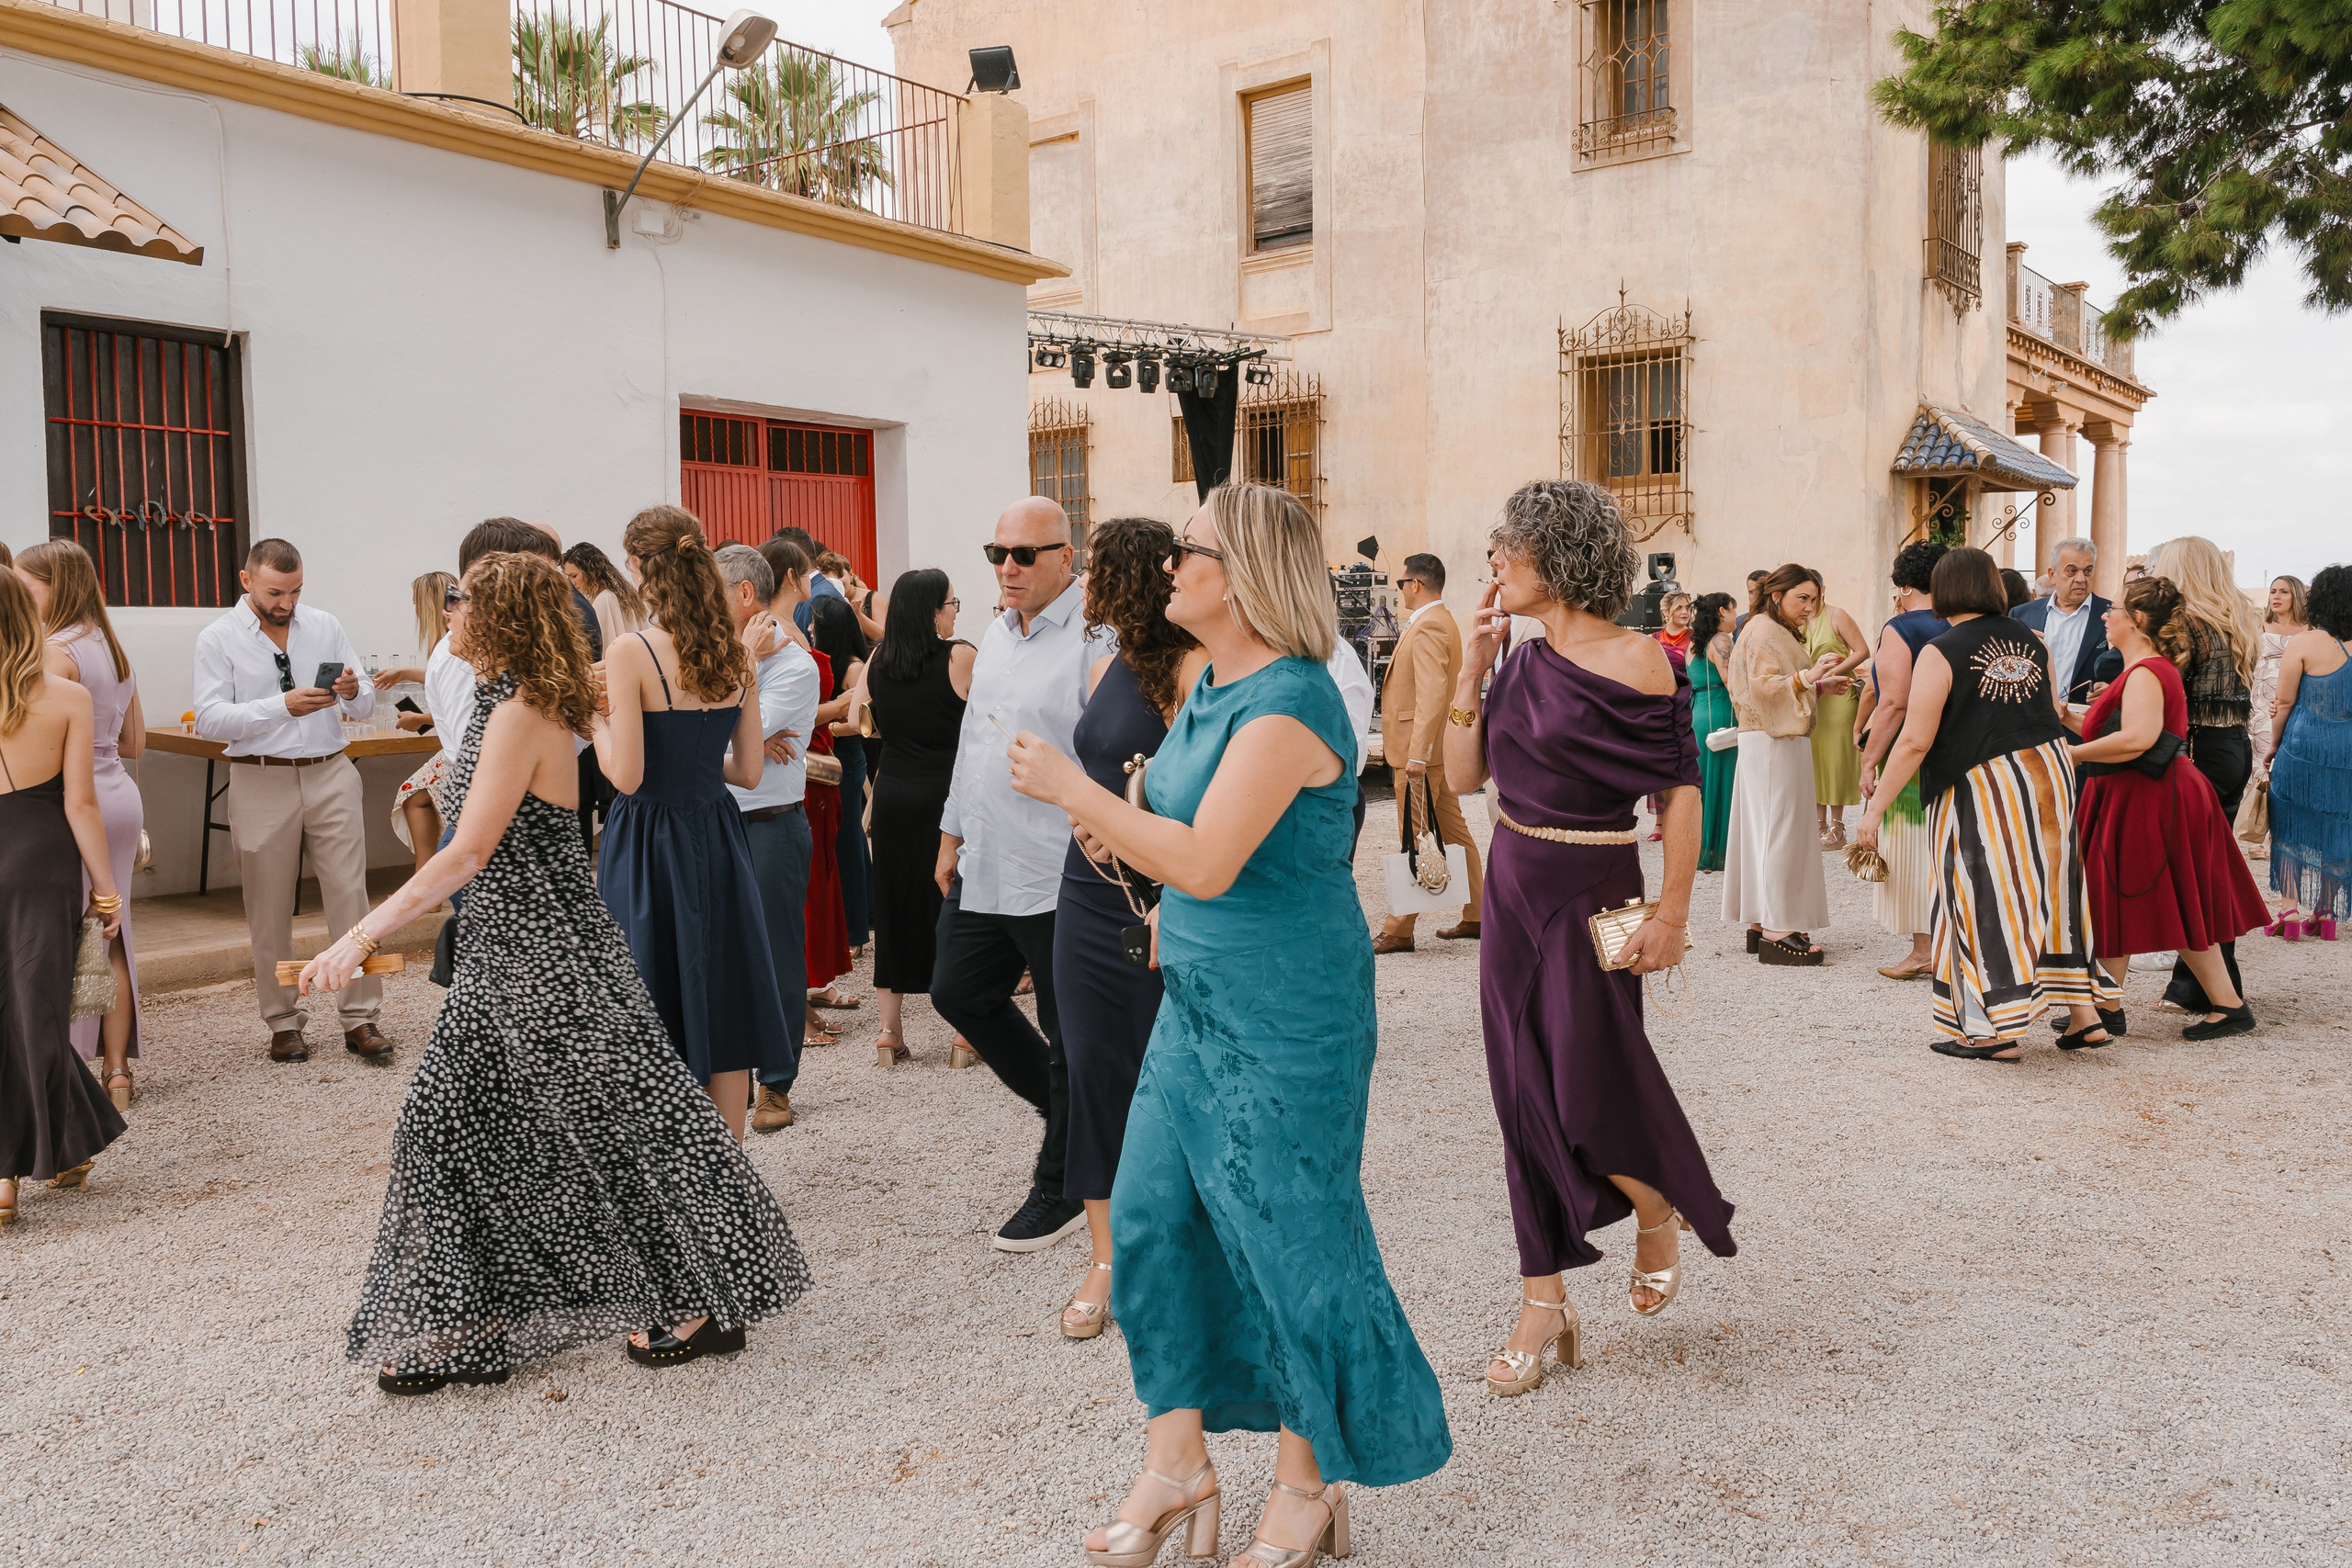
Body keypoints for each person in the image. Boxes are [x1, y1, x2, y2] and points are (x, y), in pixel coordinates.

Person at [1005, 482, 1450, 1568]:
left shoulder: (1293, 702)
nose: (1170, 566)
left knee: (1287, 1240)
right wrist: (1132, 840)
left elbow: (1209, 858)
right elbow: (1181, 840)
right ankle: (1177, 1465)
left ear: (1244, 574)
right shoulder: (1208, 680)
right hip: (1197, 997)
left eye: (1190, 551)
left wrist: (1077, 794)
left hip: (1289, 1010)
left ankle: (1306, 1489)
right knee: (1152, 1219)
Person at [300, 550, 808, 1389]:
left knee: (631, 1124)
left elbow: (467, 850)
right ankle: (477, 1318)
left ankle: (706, 1300)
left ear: (495, 620)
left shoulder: (524, 713)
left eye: (462, 602)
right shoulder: (513, 702)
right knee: (459, 1126)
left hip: (550, 956)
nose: (449, 613)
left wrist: (358, 934)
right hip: (503, 956)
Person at [1440, 479, 1735, 1399]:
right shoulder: (1518, 662)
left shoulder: (1640, 659)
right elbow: (1459, 776)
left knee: (1593, 1087)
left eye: (1507, 548)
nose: (1494, 562)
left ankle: (1655, 1207)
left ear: (1554, 556)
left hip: (1599, 888)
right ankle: (1543, 1299)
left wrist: (1674, 913)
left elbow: (1678, 790)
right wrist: (1471, 670)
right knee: (1521, 1099)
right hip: (1516, 889)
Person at [1854, 548, 2116, 1060]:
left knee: (1978, 895)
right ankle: (2083, 1015)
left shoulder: (1941, 649)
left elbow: (1914, 740)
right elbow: (2052, 709)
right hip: (2048, 772)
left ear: (1945, 590)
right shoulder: (2032, 640)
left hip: (1982, 782)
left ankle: (1993, 1030)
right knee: (2053, 886)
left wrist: (1874, 809)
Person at [1046, 518, 1208, 1342]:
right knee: (1091, 1064)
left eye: (1100, 571)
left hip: (1158, 886)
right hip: (1086, 886)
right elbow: (1101, 766)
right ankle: (1106, 1255)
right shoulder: (1109, 662)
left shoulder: (1189, 667)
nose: (1088, 586)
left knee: (1165, 1068)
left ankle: (1174, 1248)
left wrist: (1122, 820)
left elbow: (1198, 789)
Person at [932, 496, 1104, 1252]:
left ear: (1067, 558)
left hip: (1059, 868)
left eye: (1024, 555)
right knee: (956, 990)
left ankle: (1064, 1180)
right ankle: (1076, 1119)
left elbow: (1108, 755)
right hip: (986, 857)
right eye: (997, 552)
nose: (1007, 567)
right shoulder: (996, 637)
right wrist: (951, 829)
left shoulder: (1096, 643)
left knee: (1069, 1033)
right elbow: (975, 740)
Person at [593, 507, 792, 1142]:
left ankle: (664, 1167)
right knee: (725, 993)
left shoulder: (632, 650)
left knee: (648, 993)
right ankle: (727, 1165)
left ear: (641, 573)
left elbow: (626, 774)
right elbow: (752, 770)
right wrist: (702, 764)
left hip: (649, 838)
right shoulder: (736, 657)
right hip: (716, 831)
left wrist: (590, 720)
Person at [191, 538, 390, 1063]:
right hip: (261, 778)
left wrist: (352, 690)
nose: (287, 602)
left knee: (351, 896)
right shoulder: (218, 638)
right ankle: (283, 1022)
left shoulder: (324, 624)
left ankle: (361, 1016)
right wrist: (281, 706)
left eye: (296, 590)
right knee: (269, 907)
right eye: (276, 592)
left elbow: (368, 698)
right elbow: (210, 718)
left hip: (331, 771)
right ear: (246, 580)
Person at [2071, 575, 2269, 1040]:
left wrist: (2070, 753)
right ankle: (2121, 1004)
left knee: (2130, 893)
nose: (2105, 614)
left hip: (2152, 793)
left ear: (2136, 620)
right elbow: (2129, 730)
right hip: (2149, 790)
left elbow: (2139, 739)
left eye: (2114, 609)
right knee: (2157, 897)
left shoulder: (2145, 672)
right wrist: (2068, 716)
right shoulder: (2146, 669)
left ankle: (2111, 1005)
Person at [1, 567, 128, 1223]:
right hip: (41, 857)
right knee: (37, 1008)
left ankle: (13, 1176)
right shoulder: (65, 696)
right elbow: (81, 804)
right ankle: (39, 1156)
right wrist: (107, 892)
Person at [16, 541, 145, 1109]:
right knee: (111, 928)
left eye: (27, 585)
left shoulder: (53, 652)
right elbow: (133, 743)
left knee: (63, 935)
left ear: (53, 585)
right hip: (119, 792)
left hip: (72, 800)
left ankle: (59, 1075)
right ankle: (117, 1071)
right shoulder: (113, 650)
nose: (20, 595)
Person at [718, 542, 819, 1132]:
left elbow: (728, 745)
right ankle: (729, 1074)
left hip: (770, 826)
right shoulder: (725, 659)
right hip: (718, 821)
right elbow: (708, 734)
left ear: (745, 595)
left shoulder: (795, 668)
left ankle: (776, 1083)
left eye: (714, 592)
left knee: (778, 955)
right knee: (723, 953)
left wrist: (733, 710)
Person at [2144, 536, 2265, 1014]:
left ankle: (2212, 988)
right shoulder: (2238, 621)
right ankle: (2195, 984)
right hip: (2233, 748)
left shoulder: (2187, 625)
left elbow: (2165, 687)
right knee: (2210, 863)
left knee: (2193, 870)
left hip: (2195, 750)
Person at [858, 570, 975, 1061]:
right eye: (952, 602)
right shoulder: (961, 655)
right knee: (957, 905)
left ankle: (890, 1032)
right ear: (932, 610)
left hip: (893, 796)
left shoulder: (878, 659)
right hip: (948, 795)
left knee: (894, 906)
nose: (954, 611)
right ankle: (964, 1033)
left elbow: (857, 719)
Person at [1724, 565, 1842, 964]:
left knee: (1766, 830)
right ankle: (1778, 928)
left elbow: (1772, 684)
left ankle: (1761, 922)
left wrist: (1818, 684)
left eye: (1814, 599)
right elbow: (1762, 686)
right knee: (1782, 831)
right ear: (1777, 596)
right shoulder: (1763, 630)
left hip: (1768, 740)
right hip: (1774, 742)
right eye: (1802, 598)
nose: (1810, 607)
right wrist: (1809, 677)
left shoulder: (1764, 628)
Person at [1374, 551, 1483, 951]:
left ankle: (1399, 927)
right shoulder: (1440, 621)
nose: (1400, 589)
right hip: (1433, 753)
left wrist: (1417, 754)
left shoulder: (1429, 625)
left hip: (1418, 754)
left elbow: (1434, 693)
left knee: (1415, 835)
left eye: (1402, 583)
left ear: (1414, 584)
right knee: (1453, 830)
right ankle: (1478, 914)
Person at [1857, 542, 1951, 981]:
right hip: (1958, 749)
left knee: (1914, 849)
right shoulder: (1961, 621)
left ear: (1905, 586)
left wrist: (1869, 760)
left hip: (1915, 751)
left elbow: (1893, 702)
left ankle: (1922, 950)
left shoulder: (1902, 627)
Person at [2266, 564, 2351, 932]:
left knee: (2289, 823)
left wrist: (2272, 746)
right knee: (2336, 826)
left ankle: (2288, 912)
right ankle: (2327, 913)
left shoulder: (2304, 642)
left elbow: (2283, 704)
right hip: (2345, 752)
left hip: (2302, 745)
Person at [807, 550, 873, 973]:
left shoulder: (852, 669)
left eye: (815, 622)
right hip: (838, 759)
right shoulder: (832, 664)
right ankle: (861, 919)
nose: (809, 627)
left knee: (847, 844)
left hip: (845, 760)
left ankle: (855, 932)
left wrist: (827, 724)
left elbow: (863, 722)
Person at [384, 570, 456, 875]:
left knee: (413, 795)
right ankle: (426, 882)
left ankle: (426, 882)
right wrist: (405, 673)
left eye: (416, 603)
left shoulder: (451, 646)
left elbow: (459, 707)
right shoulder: (451, 644)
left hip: (460, 754)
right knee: (414, 796)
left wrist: (421, 719)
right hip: (458, 747)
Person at [1802, 570, 1868, 847]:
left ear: (1822, 589)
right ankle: (1818, 822)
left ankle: (1838, 825)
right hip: (1811, 694)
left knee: (1836, 757)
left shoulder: (1837, 615)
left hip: (1839, 693)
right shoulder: (1798, 621)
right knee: (1814, 757)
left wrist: (1832, 674)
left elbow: (1862, 650)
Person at [2011, 538, 2113, 704]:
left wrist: (2112, 689)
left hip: (2084, 722)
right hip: (2031, 721)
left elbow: (2127, 669)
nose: (2081, 579)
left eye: (2087, 571)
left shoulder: (2111, 614)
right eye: (2072, 571)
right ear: (2053, 575)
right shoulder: (2022, 615)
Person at [1688, 592, 1739, 873]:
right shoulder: (1721, 641)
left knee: (1704, 783)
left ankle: (1702, 848)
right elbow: (1731, 681)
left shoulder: (1693, 644)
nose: (1735, 616)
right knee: (1723, 780)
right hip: (1720, 713)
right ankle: (1721, 849)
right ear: (1722, 611)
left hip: (1698, 714)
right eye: (1733, 610)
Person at [2251, 574, 2310, 784]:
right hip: (2262, 703)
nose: (2276, 596)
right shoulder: (2260, 626)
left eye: (2284, 592)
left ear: (2297, 596)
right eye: (2273, 591)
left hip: (2298, 700)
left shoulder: (2311, 630)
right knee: (2260, 761)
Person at [562, 540, 648, 649]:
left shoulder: (604, 600)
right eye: (568, 577)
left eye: (574, 576)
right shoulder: (625, 595)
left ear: (590, 572)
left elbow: (603, 648)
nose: (572, 583)